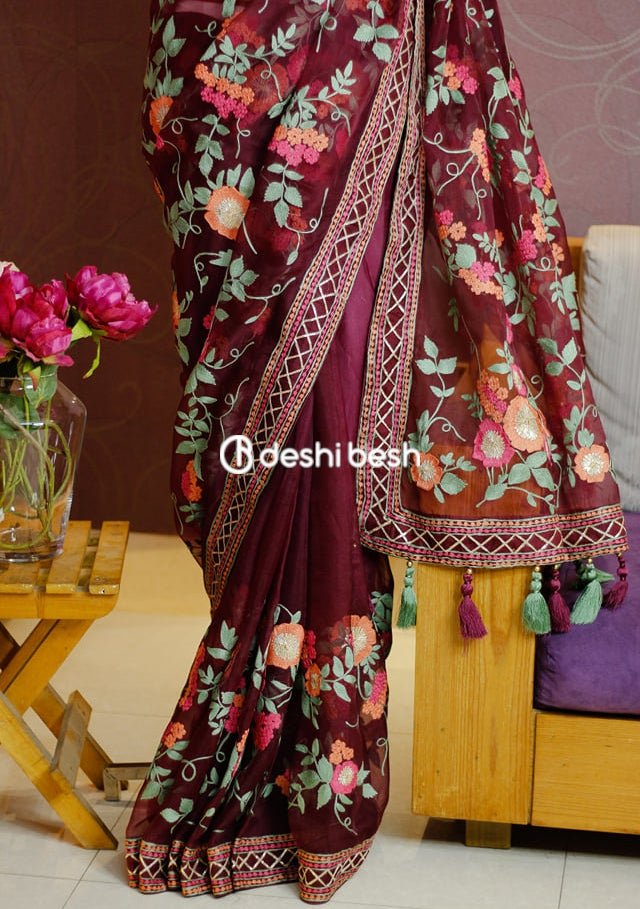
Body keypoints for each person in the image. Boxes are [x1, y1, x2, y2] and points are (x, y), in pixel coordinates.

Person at [125, 0, 627, 902]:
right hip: (225, 83)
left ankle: (319, 764)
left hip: (357, 74)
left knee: (323, 429)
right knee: (251, 419)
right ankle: (278, 749)